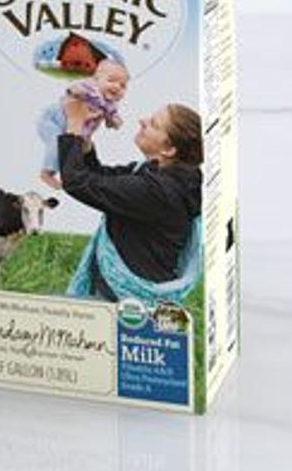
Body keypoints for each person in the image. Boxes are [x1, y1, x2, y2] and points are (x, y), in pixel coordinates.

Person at [59, 104, 206, 302]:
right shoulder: (156, 174)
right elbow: (101, 178)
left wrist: (74, 126)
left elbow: (78, 183)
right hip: (127, 292)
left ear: (169, 149)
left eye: (153, 124)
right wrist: (85, 147)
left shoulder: (158, 192)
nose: (142, 121)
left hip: (125, 301)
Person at [35, 60, 130, 192]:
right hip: (54, 119)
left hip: (74, 130)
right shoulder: (91, 88)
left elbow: (111, 118)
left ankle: (65, 173)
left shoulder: (110, 105)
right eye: (112, 80)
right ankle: (46, 172)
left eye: (123, 86)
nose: (117, 87)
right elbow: (74, 88)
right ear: (96, 79)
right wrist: (75, 91)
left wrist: (114, 121)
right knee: (57, 143)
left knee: (69, 150)